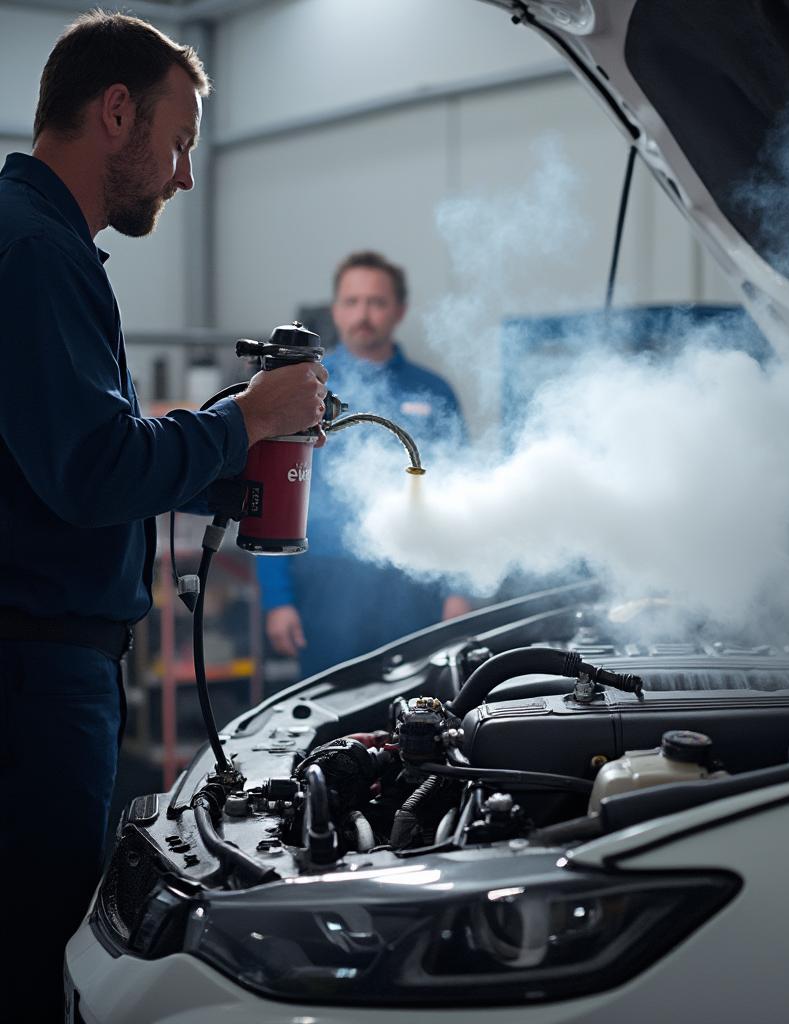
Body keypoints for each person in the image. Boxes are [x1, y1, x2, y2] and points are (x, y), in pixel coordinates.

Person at [0, 13, 329, 1018]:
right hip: (32, 678)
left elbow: (62, 455)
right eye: (179, 140)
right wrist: (244, 422)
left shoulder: (37, 242)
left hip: (44, 664)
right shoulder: (35, 255)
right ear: (114, 113)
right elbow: (94, 469)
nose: (184, 174)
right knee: (29, 958)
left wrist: (226, 457)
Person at [259, 251, 471, 676]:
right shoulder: (299, 390)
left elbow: (462, 495)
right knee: (329, 718)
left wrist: (459, 590)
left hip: (413, 584)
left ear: (399, 310)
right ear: (336, 310)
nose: (364, 314)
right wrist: (277, 600)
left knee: (418, 715)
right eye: (352, 302)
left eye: (376, 302)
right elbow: (273, 493)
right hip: (326, 587)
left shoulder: (434, 392)